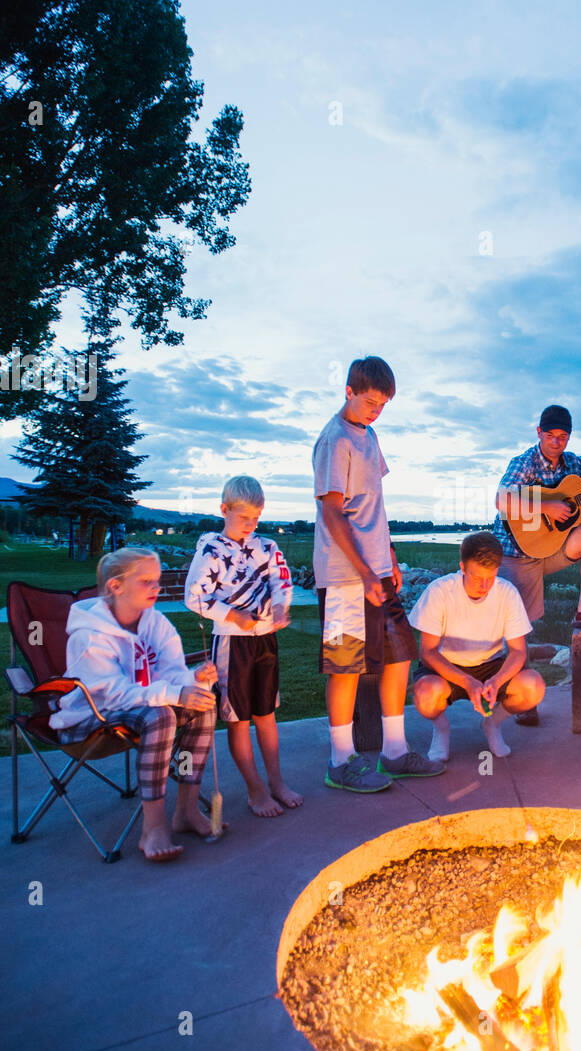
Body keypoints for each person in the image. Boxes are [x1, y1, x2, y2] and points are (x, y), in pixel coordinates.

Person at [314, 355, 443, 791]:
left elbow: (373, 503)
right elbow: (332, 512)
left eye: (383, 404)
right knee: (345, 666)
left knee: (400, 655)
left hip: (377, 571)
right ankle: (340, 761)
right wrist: (366, 571)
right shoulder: (335, 440)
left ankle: (393, 751)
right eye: (369, 401)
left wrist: (386, 557)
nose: (375, 410)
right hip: (345, 576)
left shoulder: (369, 436)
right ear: (349, 391)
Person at [49, 548, 217, 863]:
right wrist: (173, 694)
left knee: (203, 706)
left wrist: (195, 682)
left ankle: (186, 809)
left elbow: (172, 675)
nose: (157, 587)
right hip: (88, 720)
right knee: (161, 715)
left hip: (138, 711)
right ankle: (153, 828)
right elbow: (112, 694)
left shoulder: (155, 623)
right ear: (115, 586)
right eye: (146, 582)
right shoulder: (89, 635)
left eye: (157, 580)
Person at [493, 403, 581, 723]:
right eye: (551, 435)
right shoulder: (524, 463)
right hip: (517, 554)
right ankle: (523, 701)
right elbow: (501, 500)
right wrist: (546, 508)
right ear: (539, 433)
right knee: (517, 632)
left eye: (563, 436)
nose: (557, 442)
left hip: (551, 550)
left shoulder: (571, 462)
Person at [184, 475, 301, 817]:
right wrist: (232, 615)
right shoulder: (211, 551)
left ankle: (277, 782)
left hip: (266, 641)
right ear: (224, 510)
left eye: (257, 517)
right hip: (232, 645)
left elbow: (282, 580)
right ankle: (256, 791)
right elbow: (194, 597)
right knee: (239, 720)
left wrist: (281, 605)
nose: (251, 524)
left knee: (266, 714)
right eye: (244, 516)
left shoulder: (267, 547)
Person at [409, 531, 545, 761]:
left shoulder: (506, 592)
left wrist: (496, 681)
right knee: (425, 695)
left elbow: (519, 651)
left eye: (490, 578)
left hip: (489, 665)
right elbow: (427, 652)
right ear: (462, 567)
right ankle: (441, 729)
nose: (484, 585)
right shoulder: (439, 591)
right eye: (476, 577)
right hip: (446, 666)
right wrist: (467, 682)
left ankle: (491, 723)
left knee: (533, 687)